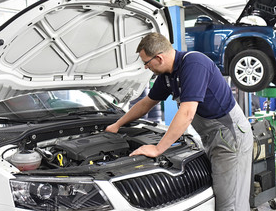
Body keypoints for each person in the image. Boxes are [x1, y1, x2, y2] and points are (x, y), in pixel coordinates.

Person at [105, 32, 253, 211]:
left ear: (159, 58)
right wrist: (117, 124)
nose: (145, 67)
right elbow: (146, 104)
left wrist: (158, 148)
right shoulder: (168, 75)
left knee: (231, 203)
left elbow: (187, 113)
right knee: (220, 193)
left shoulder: (194, 65)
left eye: (146, 62)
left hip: (230, 137)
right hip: (210, 135)